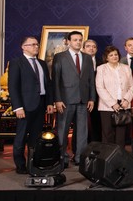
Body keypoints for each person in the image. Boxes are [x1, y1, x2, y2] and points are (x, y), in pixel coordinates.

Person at [9, 36, 54, 174]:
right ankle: (20, 164)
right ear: (24, 47)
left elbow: (48, 85)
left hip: (40, 104)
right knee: (21, 136)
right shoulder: (17, 63)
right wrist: (18, 107)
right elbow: (13, 86)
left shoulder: (42, 63)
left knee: (36, 137)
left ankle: (33, 162)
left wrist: (49, 103)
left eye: (37, 44)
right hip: (25, 106)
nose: (36, 46)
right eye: (32, 44)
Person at [52, 30, 95, 167]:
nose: (78, 42)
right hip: (65, 100)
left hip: (83, 100)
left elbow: (91, 80)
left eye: (80, 40)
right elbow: (56, 80)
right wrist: (57, 99)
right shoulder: (60, 57)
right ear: (68, 42)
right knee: (62, 130)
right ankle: (62, 158)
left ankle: (80, 158)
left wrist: (91, 99)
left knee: (82, 132)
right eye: (75, 40)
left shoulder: (87, 58)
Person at [95, 45, 133, 148]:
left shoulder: (126, 68)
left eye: (116, 54)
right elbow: (100, 88)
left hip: (123, 105)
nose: (114, 57)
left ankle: (119, 159)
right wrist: (113, 103)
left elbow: (131, 87)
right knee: (107, 133)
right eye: (111, 55)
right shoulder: (101, 68)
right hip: (106, 106)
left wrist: (126, 100)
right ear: (106, 57)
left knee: (121, 136)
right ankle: (108, 159)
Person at [82, 38, 101, 142]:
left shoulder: (102, 62)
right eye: (88, 46)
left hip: (99, 97)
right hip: (82, 97)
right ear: (83, 48)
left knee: (97, 123)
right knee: (83, 124)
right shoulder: (78, 62)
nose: (91, 49)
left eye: (94, 47)